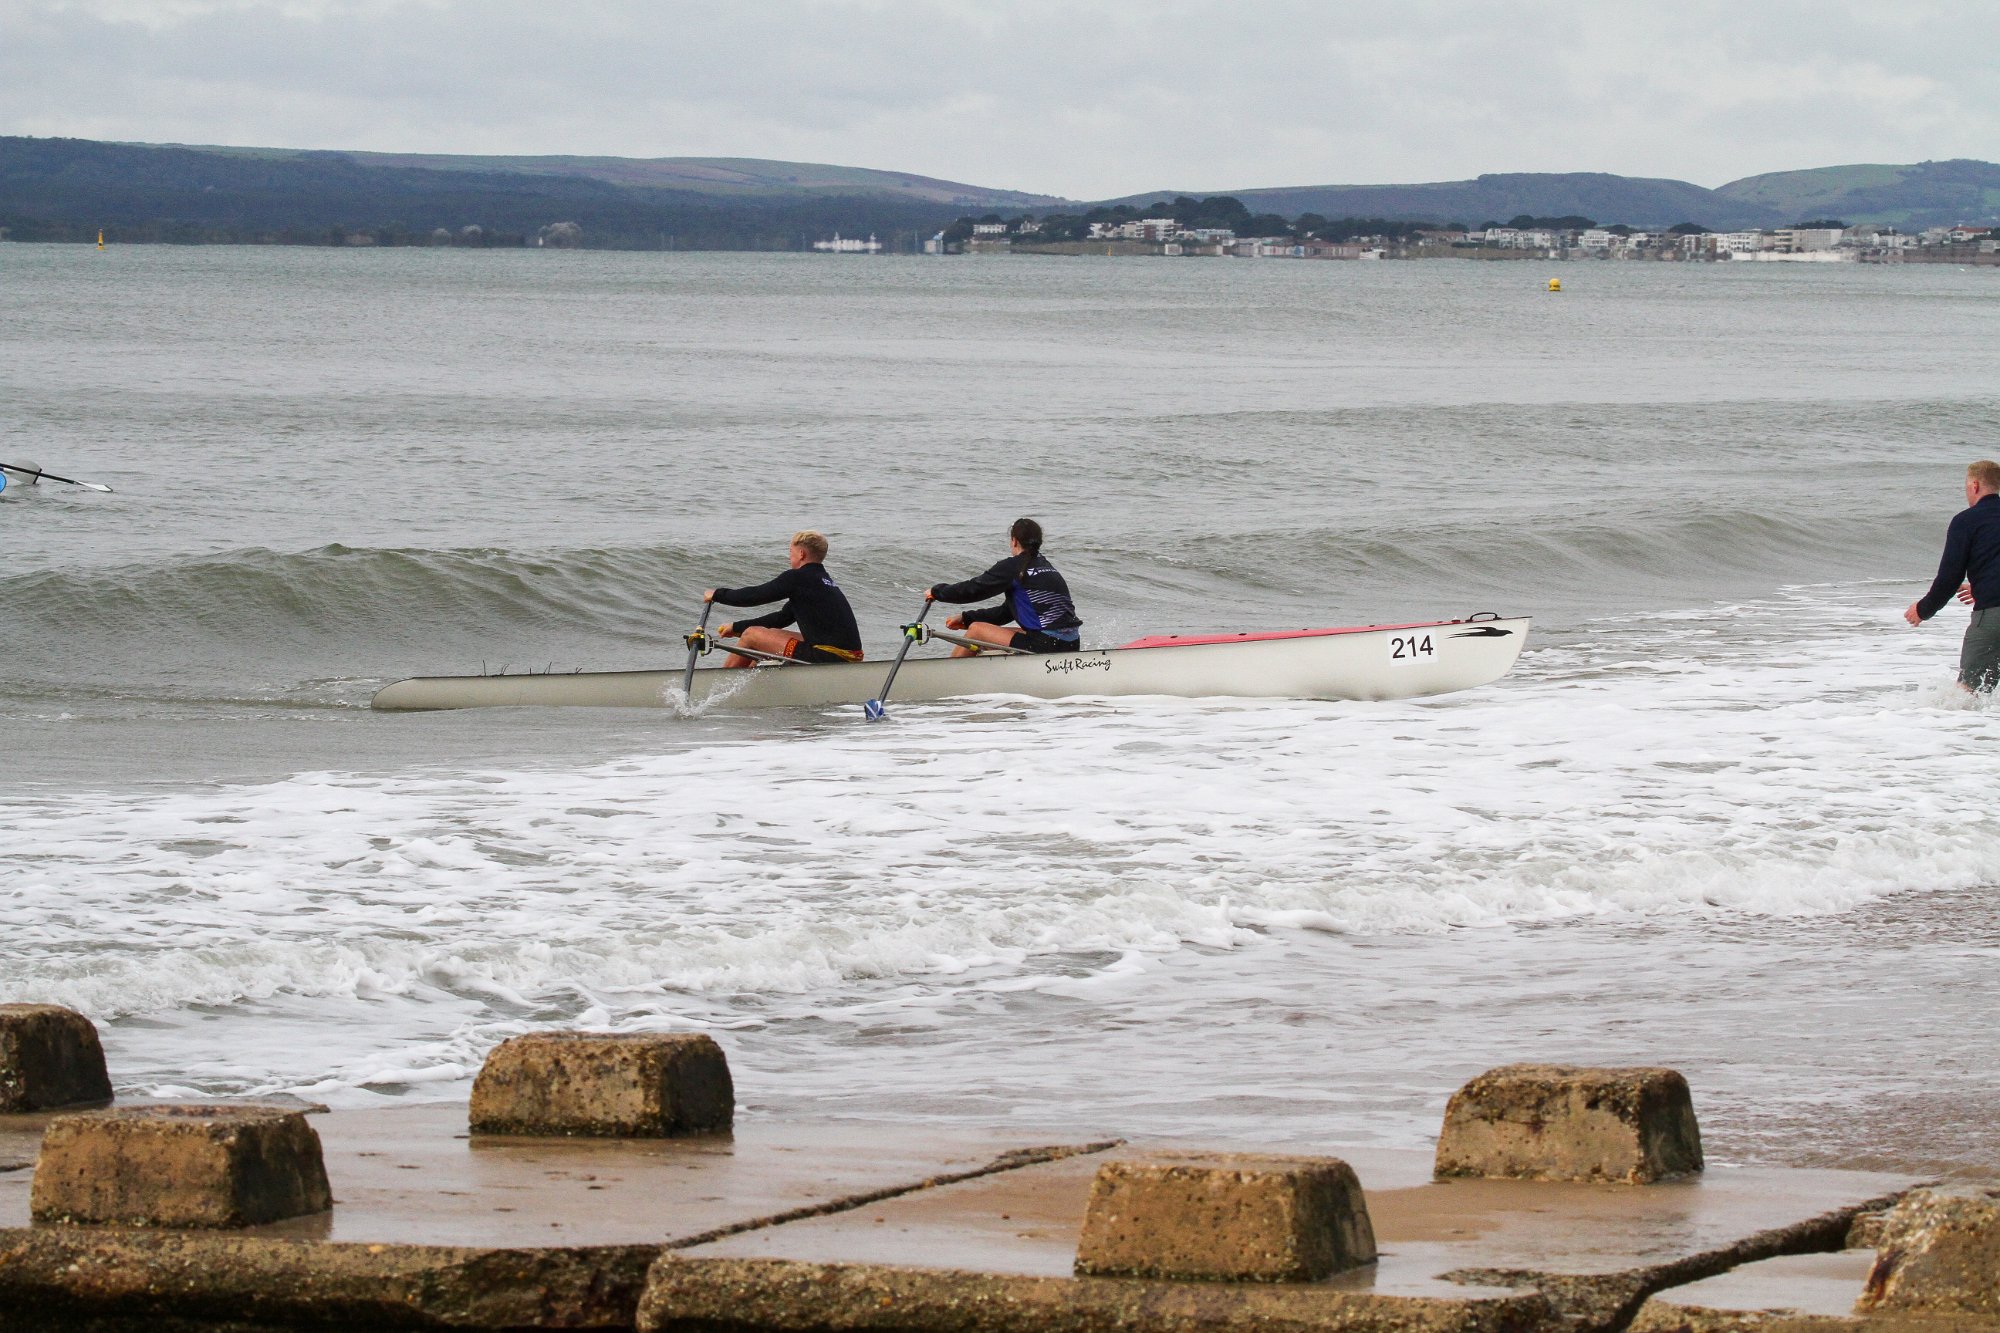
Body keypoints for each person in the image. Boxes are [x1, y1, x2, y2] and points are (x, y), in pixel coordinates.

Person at [1904, 460, 2000, 692]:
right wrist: (1984, 588)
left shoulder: (1966, 521)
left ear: (1974, 485)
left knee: (1969, 693)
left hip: (1993, 617)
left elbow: (1949, 578)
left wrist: (1923, 610)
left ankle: (1960, 728)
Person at [704, 531, 864, 668]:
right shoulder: (822, 581)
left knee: (750, 635)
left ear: (801, 554)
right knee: (768, 634)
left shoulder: (798, 577)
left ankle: (719, 684)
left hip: (830, 657)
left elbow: (755, 595)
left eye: (790, 552)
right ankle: (749, 683)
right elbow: (781, 618)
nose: (789, 557)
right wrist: (735, 627)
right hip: (849, 656)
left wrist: (717, 594)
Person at [927, 518, 1082, 657]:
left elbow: (973, 589)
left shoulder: (1013, 566)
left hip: (1048, 645)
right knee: (987, 638)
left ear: (1014, 541)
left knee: (976, 630)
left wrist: (937, 592)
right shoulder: (1046, 566)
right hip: (1071, 644)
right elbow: (1006, 612)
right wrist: (965, 618)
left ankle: (950, 678)